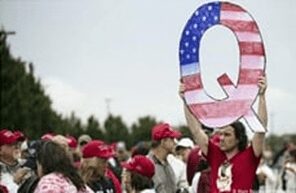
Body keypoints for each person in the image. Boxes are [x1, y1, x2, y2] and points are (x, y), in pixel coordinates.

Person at [180, 76, 268, 193]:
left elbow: (260, 131)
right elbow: (196, 131)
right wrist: (186, 101)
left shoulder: (250, 156)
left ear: (238, 139)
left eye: (227, 135)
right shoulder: (215, 154)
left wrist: (262, 96)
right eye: (220, 134)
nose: (221, 138)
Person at [147, 123, 182, 193]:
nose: (175, 143)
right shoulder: (147, 164)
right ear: (163, 142)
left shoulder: (167, 163)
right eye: (172, 139)